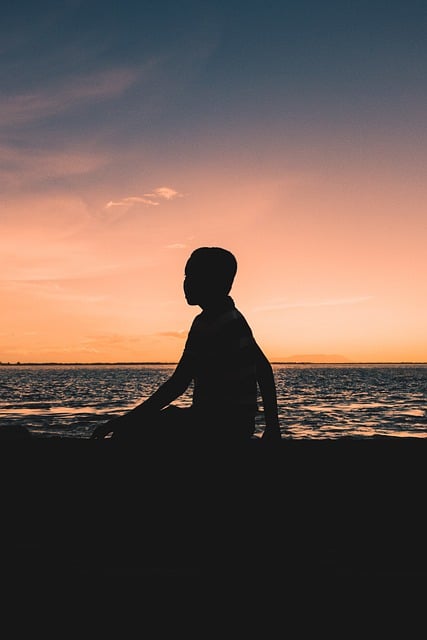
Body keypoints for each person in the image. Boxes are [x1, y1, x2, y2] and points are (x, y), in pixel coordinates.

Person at [91, 247, 281, 445]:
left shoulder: (210, 323)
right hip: (238, 425)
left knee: (128, 433)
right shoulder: (234, 319)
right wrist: (273, 426)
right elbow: (264, 369)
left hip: (216, 426)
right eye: (186, 276)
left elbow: (178, 383)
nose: (185, 283)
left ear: (213, 282)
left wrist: (124, 420)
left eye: (192, 276)